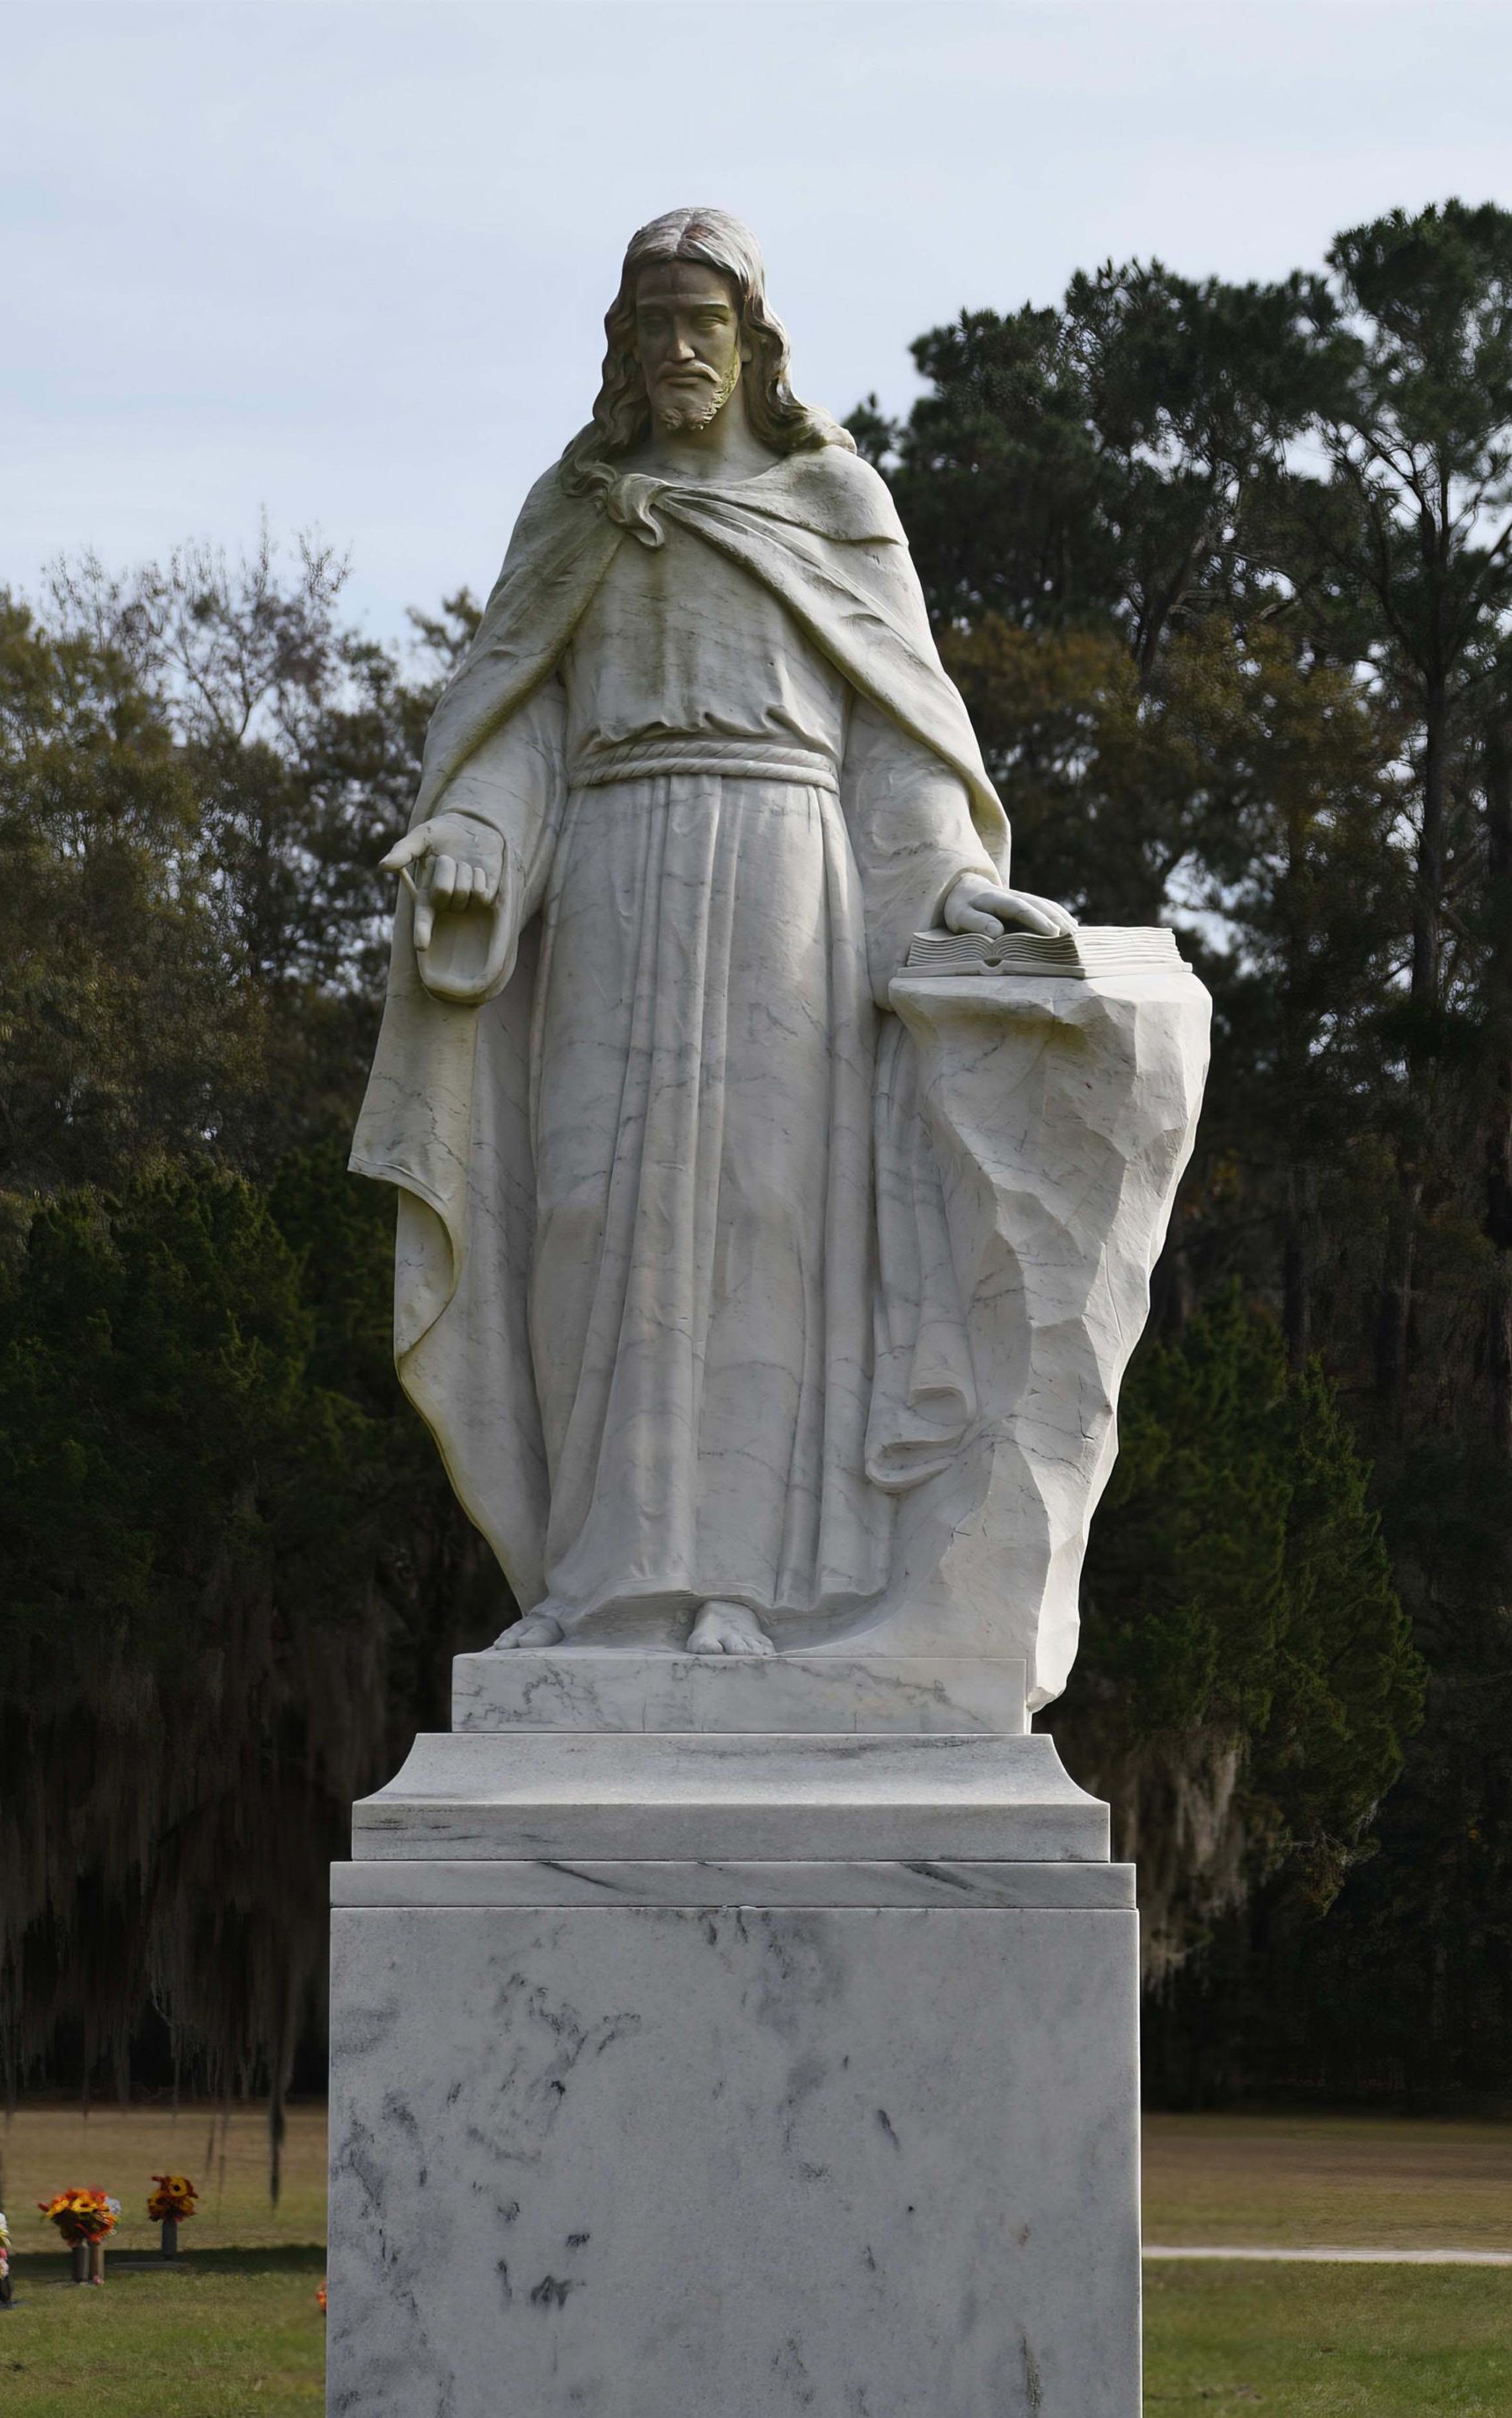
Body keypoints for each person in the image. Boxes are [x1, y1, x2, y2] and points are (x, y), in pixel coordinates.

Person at [352, 207, 1069, 1656]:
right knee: (583, 1213)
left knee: (762, 1228)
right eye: (654, 322)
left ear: (754, 342)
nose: (679, 347)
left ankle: (756, 1584)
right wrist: (477, 831)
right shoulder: (576, 511)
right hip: (613, 870)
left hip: (782, 881)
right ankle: (591, 1584)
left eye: (704, 322)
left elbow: (897, 736)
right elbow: (521, 722)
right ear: (620, 344)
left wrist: (945, 879)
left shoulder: (834, 502)